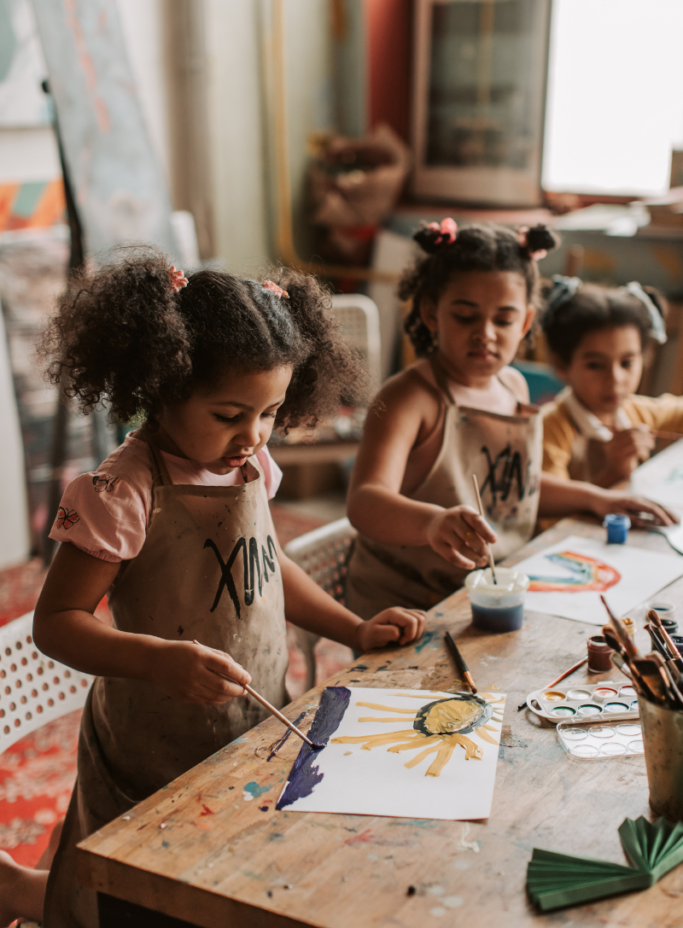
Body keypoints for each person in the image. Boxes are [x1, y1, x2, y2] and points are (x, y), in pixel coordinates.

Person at [0, 251, 426, 928]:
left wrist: (352, 629)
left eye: (270, 412)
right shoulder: (123, 490)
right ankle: (26, 893)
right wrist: (155, 659)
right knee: (134, 897)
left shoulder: (248, 460)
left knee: (231, 874)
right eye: (230, 413)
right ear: (164, 388)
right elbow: (57, 621)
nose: (253, 435)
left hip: (247, 726)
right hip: (151, 745)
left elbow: (264, 563)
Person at [345, 220, 677, 620]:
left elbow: (519, 484)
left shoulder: (514, 386)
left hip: (490, 586)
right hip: (409, 603)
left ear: (524, 322)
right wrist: (432, 523)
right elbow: (364, 502)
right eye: (466, 317)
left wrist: (596, 497)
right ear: (432, 313)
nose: (485, 333)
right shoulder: (409, 399)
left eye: (503, 320)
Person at [541, 276, 683, 486]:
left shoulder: (636, 412)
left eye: (627, 363)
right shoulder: (551, 428)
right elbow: (550, 509)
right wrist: (614, 471)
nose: (615, 380)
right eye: (595, 365)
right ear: (562, 365)